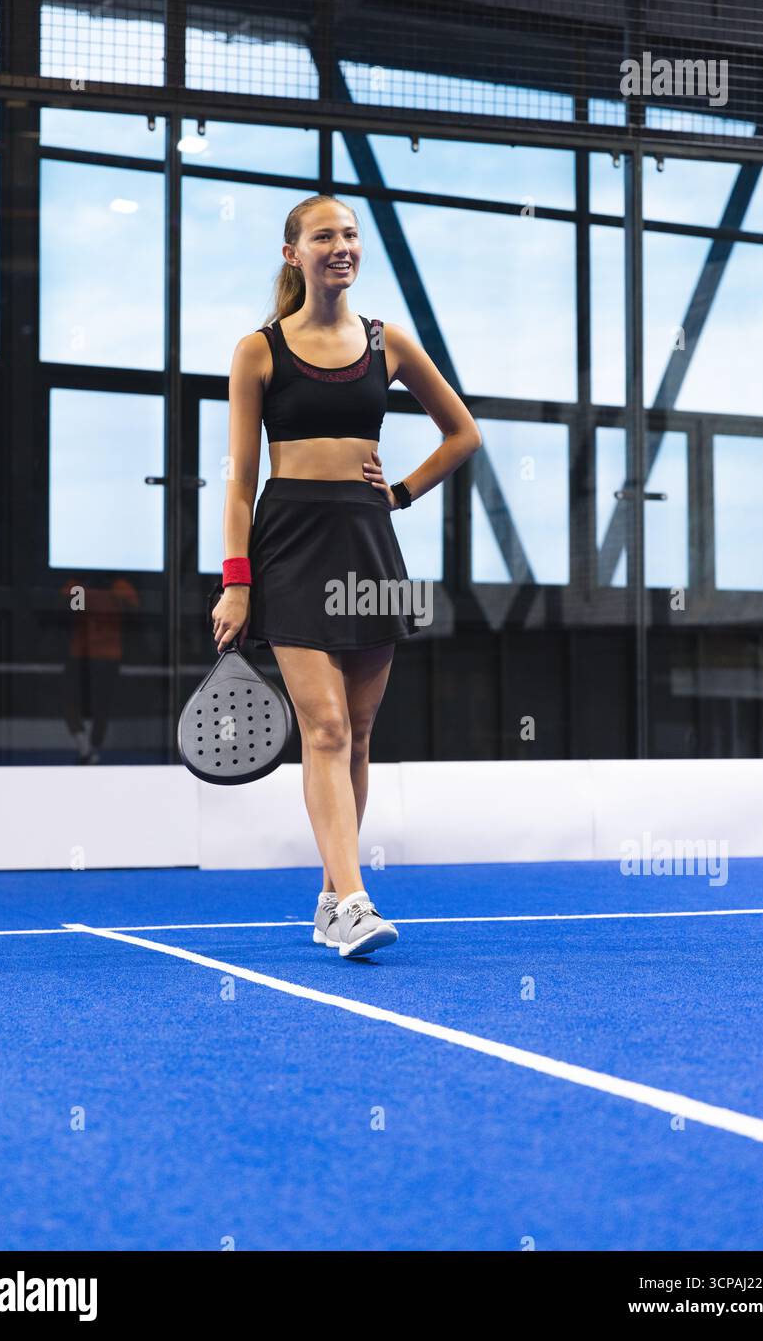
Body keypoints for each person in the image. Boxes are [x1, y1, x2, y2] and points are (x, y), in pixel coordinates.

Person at [212, 193, 481, 957]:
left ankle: (332, 897)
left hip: (370, 546)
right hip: (288, 545)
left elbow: (463, 434)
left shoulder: (386, 341)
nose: (342, 245)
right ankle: (354, 899)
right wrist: (236, 580)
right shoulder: (258, 349)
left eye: (351, 235)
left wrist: (399, 493)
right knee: (324, 728)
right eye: (323, 235)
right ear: (292, 254)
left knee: (358, 736)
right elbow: (237, 481)